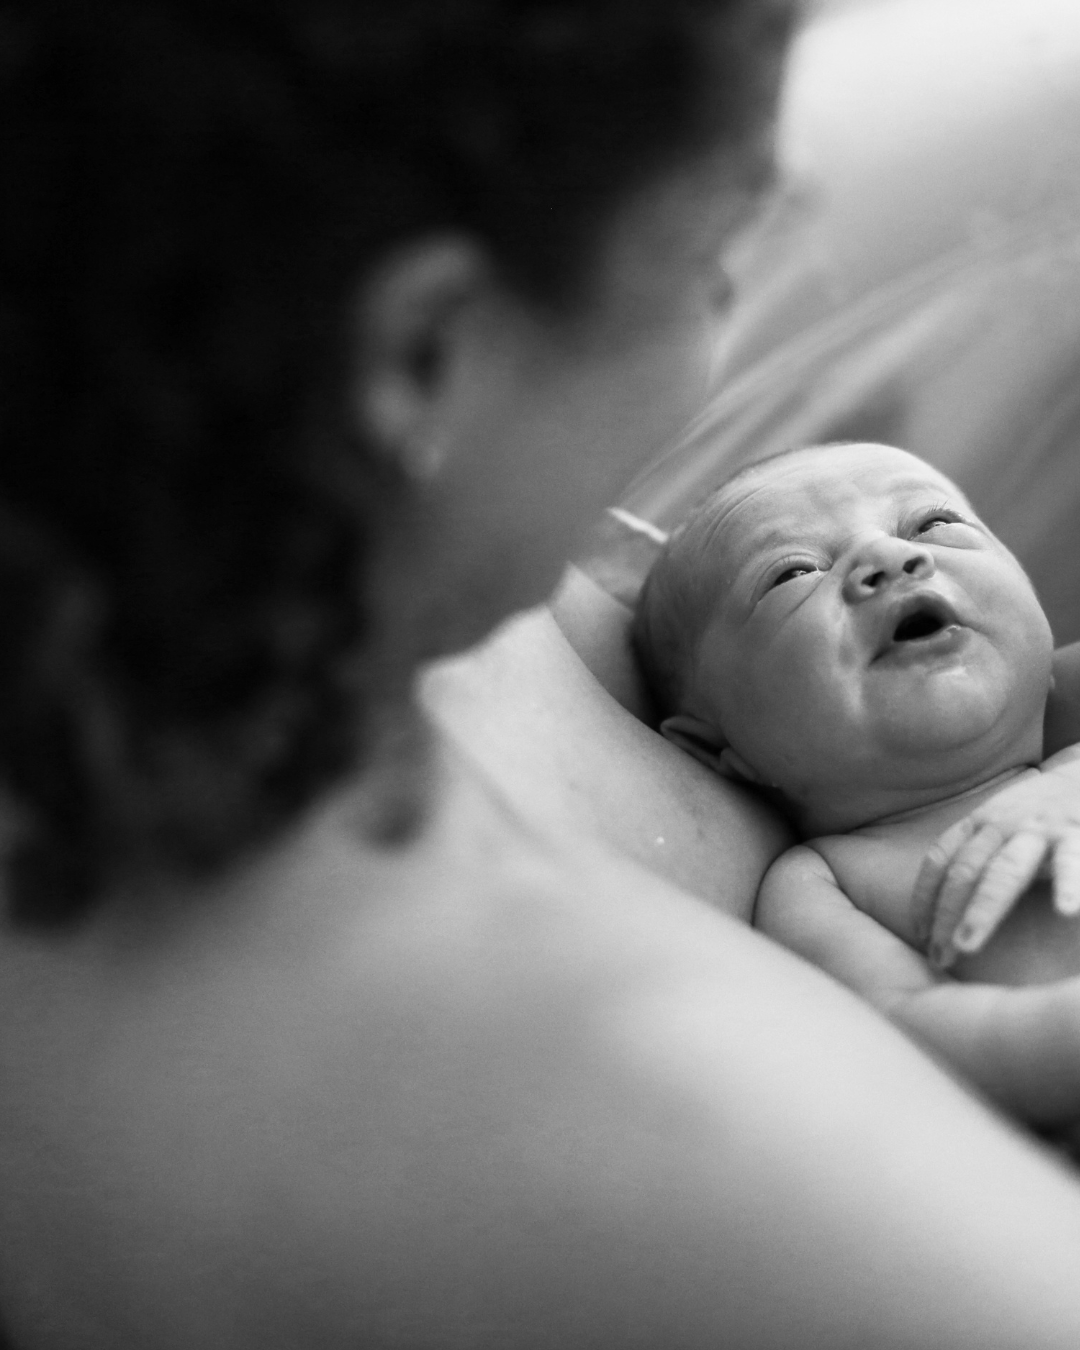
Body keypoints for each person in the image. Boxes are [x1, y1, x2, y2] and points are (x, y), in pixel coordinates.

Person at [11, 4, 1080, 1348]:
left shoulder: (207, 570)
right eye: (711, 263)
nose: (725, 332)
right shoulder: (700, 1118)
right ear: (421, 355)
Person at [633, 439, 1080, 1131]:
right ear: (721, 749)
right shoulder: (825, 883)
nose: (888, 558)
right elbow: (902, 1037)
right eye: (791, 573)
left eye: (931, 524)